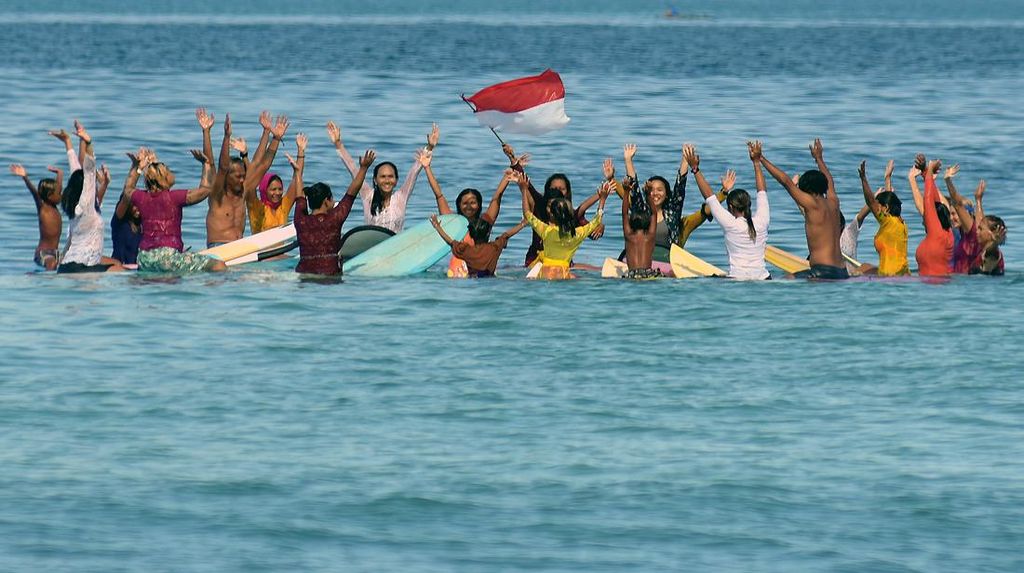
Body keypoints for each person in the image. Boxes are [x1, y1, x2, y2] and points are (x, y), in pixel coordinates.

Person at [118, 146, 225, 273]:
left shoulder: (141, 197)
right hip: (168, 259)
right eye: (168, 171)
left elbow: (128, 189)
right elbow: (205, 190)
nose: (171, 173)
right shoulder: (174, 197)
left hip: (144, 259)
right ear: (163, 178)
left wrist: (137, 167)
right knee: (218, 265)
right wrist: (206, 164)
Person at [502, 143, 604, 267]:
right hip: (536, 261)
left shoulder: (571, 215)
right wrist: (512, 159)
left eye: (562, 189)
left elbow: (590, 233)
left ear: (568, 192)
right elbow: (527, 185)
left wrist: (600, 227)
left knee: (594, 269)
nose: (558, 192)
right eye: (554, 188)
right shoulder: (540, 205)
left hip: (562, 263)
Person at [759, 139, 848, 279]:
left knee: (785, 280)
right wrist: (819, 158)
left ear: (807, 190)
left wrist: (761, 159)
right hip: (842, 272)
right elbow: (830, 180)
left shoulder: (812, 203)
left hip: (822, 272)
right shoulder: (833, 202)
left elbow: (786, 181)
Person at [326, 120, 437, 233]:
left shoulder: (401, 198)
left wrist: (429, 147)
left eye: (390, 176)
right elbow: (353, 170)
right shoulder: (368, 196)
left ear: (396, 180)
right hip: (372, 247)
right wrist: (338, 143)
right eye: (383, 177)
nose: (387, 180)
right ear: (375, 179)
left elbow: (414, 172)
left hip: (395, 247)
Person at [620, 143, 733, 250]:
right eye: (651, 190)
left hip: (668, 262)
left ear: (667, 195)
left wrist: (685, 159)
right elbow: (633, 188)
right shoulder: (641, 211)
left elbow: (680, 186)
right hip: (643, 262)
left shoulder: (672, 212)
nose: (655, 194)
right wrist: (628, 160)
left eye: (660, 190)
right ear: (646, 191)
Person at [421, 149, 515, 276]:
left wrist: (512, 166)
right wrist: (427, 167)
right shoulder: (453, 222)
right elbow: (439, 195)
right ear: (459, 205)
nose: (469, 206)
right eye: (465, 203)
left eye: (473, 202)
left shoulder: (485, 222)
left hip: (480, 272)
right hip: (456, 273)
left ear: (479, 205)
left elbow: (497, 197)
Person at [684, 142, 770, 280]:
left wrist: (695, 169)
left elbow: (709, 197)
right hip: (764, 278)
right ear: (749, 204)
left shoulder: (730, 224)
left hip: (737, 279)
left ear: (730, 207)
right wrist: (756, 162)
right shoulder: (762, 221)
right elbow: (762, 191)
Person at [293, 134, 375, 276]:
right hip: (330, 276)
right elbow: (352, 192)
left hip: (304, 276)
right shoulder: (334, 219)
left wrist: (299, 163)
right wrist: (364, 168)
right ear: (326, 200)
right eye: (331, 198)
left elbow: (299, 196)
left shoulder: (300, 220)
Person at [203, 109, 288, 246]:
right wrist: (223, 136)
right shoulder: (217, 193)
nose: (242, 180)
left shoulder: (243, 190)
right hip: (218, 247)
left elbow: (261, 165)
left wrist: (274, 137)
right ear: (227, 177)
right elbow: (215, 164)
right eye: (238, 177)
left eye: (243, 176)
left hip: (239, 248)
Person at [55, 121, 124, 273]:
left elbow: (76, 171)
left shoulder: (76, 209)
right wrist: (89, 143)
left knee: (116, 265)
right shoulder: (85, 206)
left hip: (66, 267)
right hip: (82, 268)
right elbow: (88, 170)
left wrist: (73, 144)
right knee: (119, 270)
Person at [514, 170, 608, 279]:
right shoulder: (576, 234)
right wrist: (602, 200)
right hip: (565, 272)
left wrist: (524, 190)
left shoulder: (546, 230)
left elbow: (527, 214)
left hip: (544, 272)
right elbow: (596, 220)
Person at [945, 170, 1006, 275]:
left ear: (992, 234)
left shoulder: (993, 254)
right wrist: (978, 199)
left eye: (980, 229)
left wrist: (948, 181)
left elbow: (991, 253)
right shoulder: (978, 244)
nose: (977, 230)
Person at [429, 214, 527, 278]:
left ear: (471, 235)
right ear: (488, 234)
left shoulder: (465, 250)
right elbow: (506, 235)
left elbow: (450, 241)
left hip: (472, 281)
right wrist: (522, 224)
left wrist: (437, 226)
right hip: (491, 281)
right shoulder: (494, 247)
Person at [858, 160, 910, 276]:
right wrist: (887, 178)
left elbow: (870, 202)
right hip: (904, 274)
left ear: (885, 208)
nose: (877, 210)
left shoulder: (887, 221)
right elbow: (889, 198)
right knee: (864, 267)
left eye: (879, 206)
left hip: (889, 276)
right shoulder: (900, 222)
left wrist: (863, 179)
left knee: (858, 271)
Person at [9, 162, 62, 270]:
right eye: (59, 193)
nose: (61, 196)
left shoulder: (54, 206)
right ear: (49, 196)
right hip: (43, 253)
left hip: (56, 253)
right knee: (51, 264)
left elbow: (58, 185)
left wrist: (60, 173)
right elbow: (34, 192)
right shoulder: (43, 208)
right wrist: (25, 177)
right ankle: (48, 284)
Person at [612, 157, 659, 277]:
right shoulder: (650, 236)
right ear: (648, 222)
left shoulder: (629, 235)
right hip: (648, 274)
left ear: (631, 222)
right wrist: (648, 194)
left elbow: (624, 214)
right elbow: (654, 213)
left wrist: (627, 191)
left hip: (631, 275)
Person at [912, 157, 954, 276]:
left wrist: (930, 170)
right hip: (936, 284)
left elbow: (929, 201)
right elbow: (936, 203)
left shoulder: (937, 234)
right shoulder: (947, 234)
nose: (923, 221)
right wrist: (925, 173)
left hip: (932, 285)